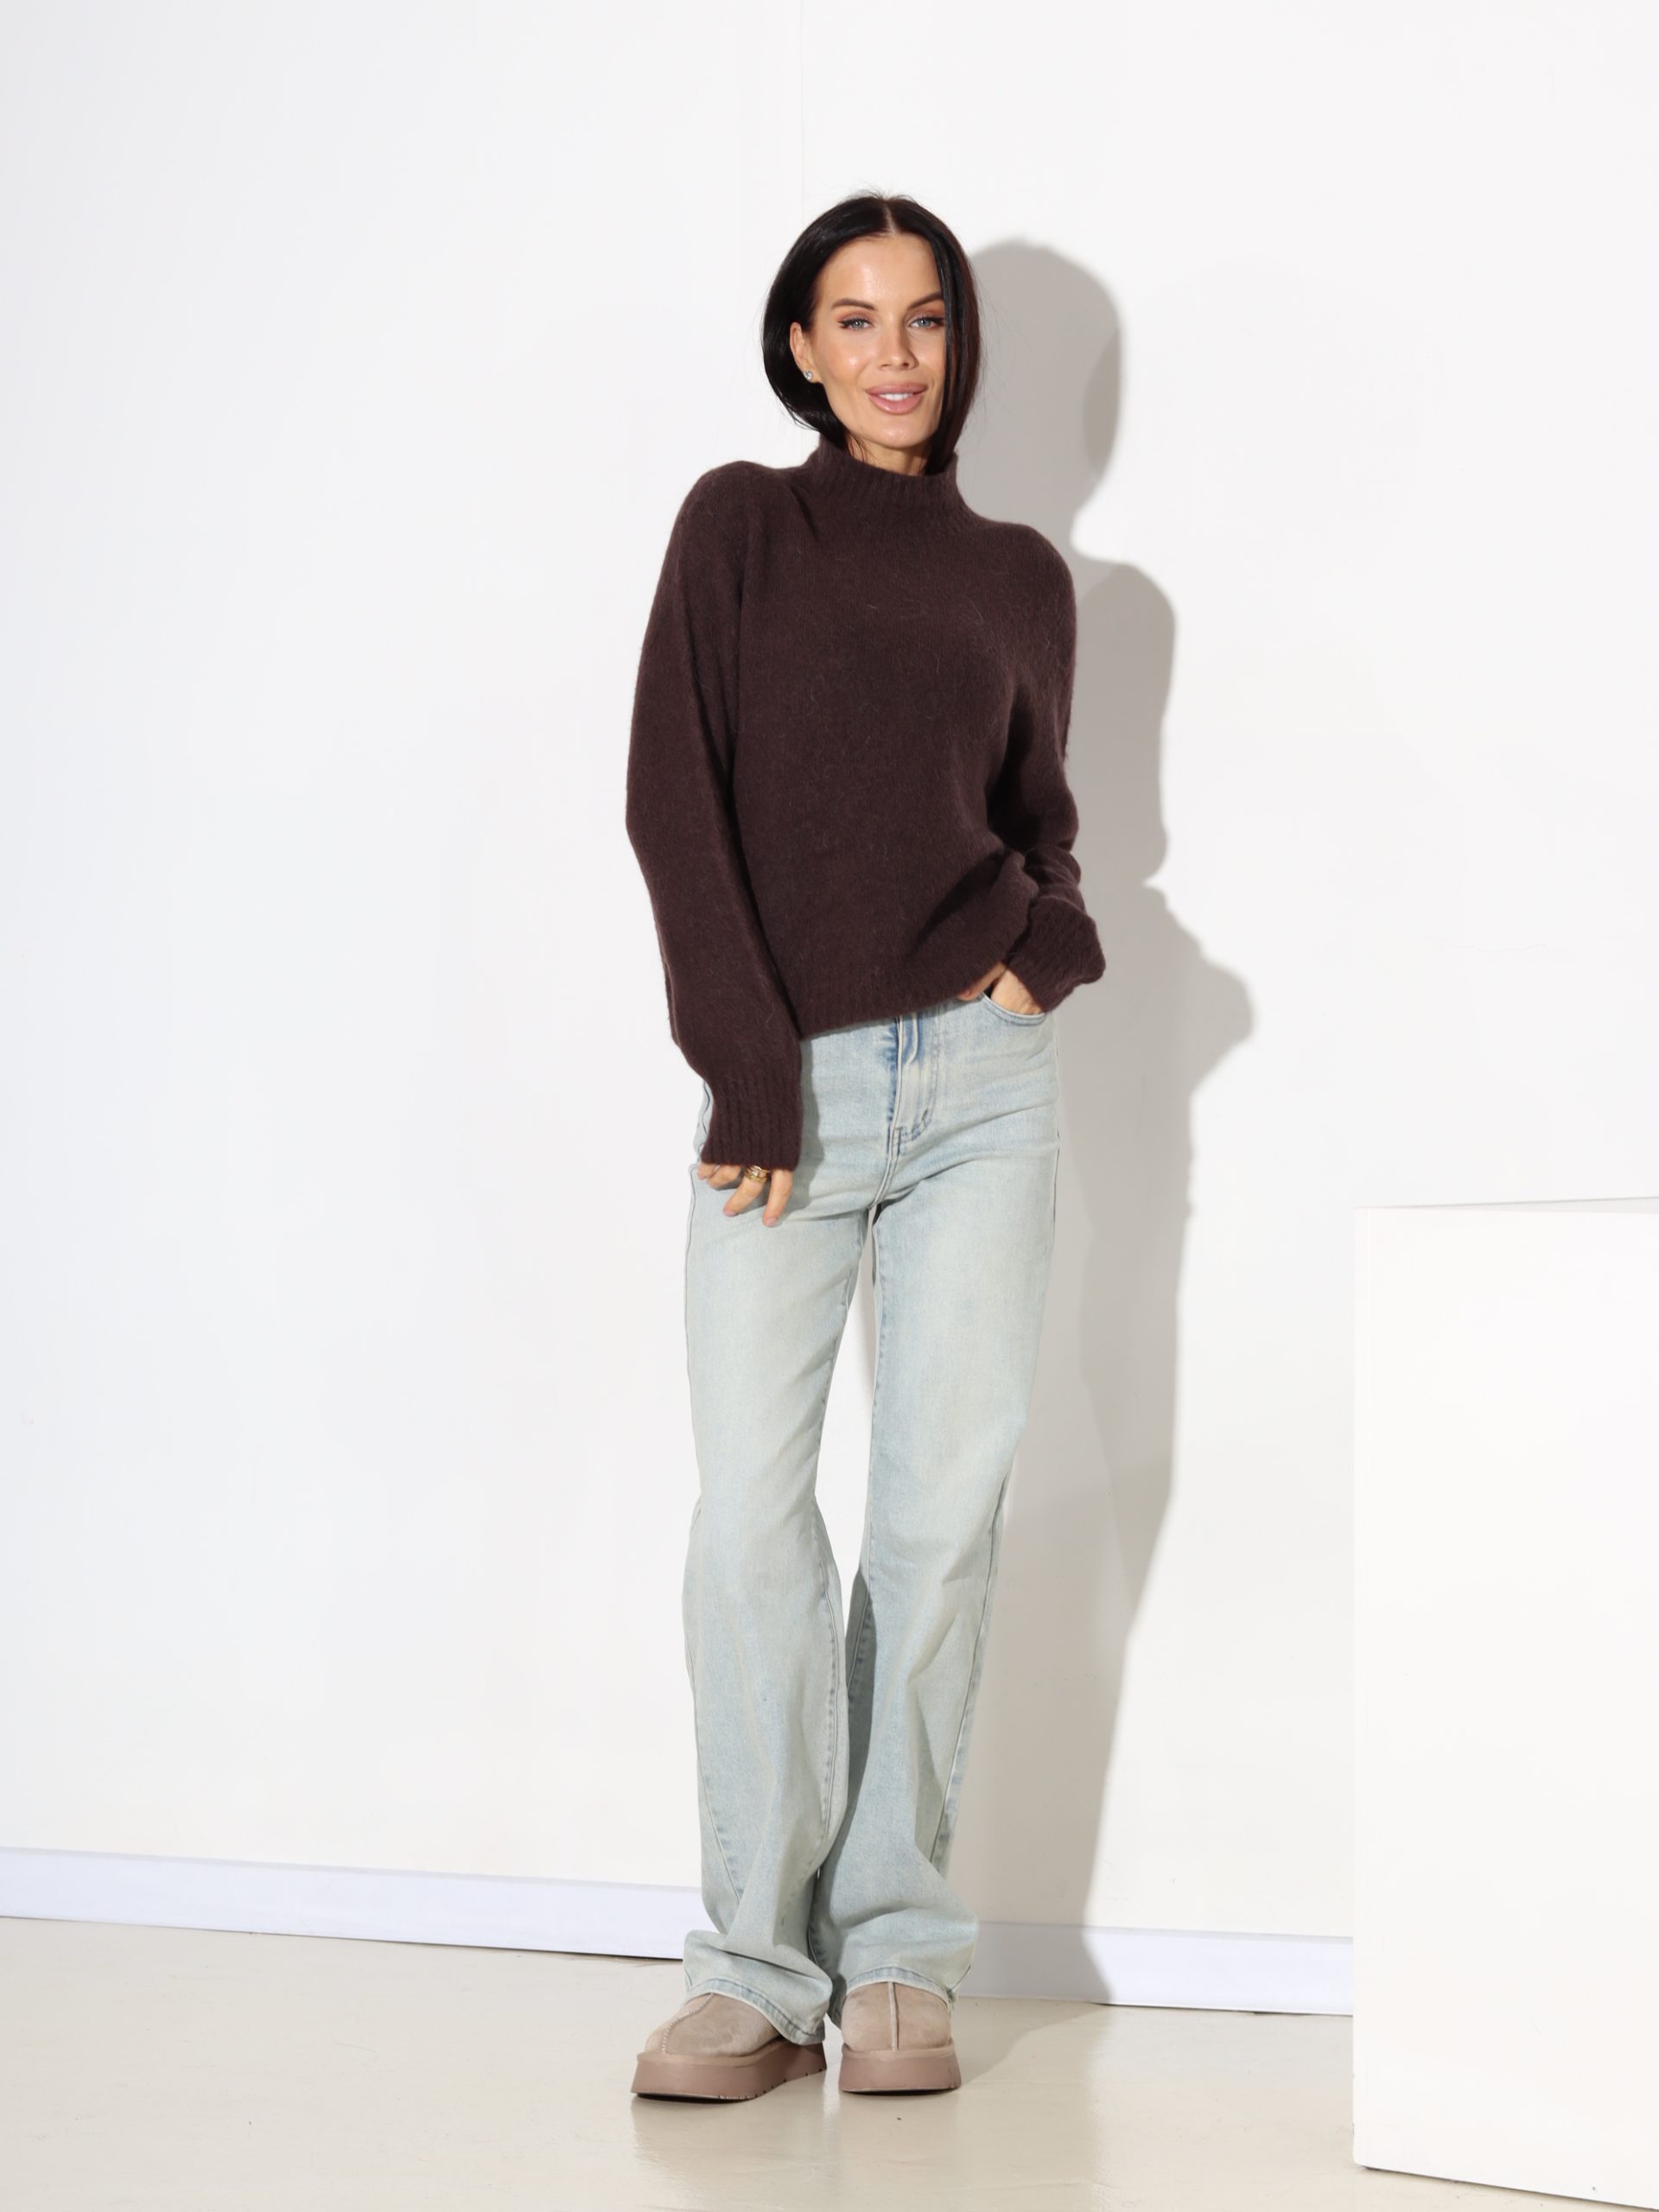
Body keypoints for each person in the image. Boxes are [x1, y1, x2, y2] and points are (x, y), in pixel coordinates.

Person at [623, 192, 1107, 2101]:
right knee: (750, 1521)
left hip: (985, 1093)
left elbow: (1043, 827)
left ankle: (896, 1947)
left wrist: (1048, 947)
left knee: (935, 1519)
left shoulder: (1021, 576)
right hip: (785, 1102)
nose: (895, 353)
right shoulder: (741, 524)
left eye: (924, 319)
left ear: (956, 344)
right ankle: (754, 1965)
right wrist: (746, 1069)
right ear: (801, 345)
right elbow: (674, 800)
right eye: (855, 318)